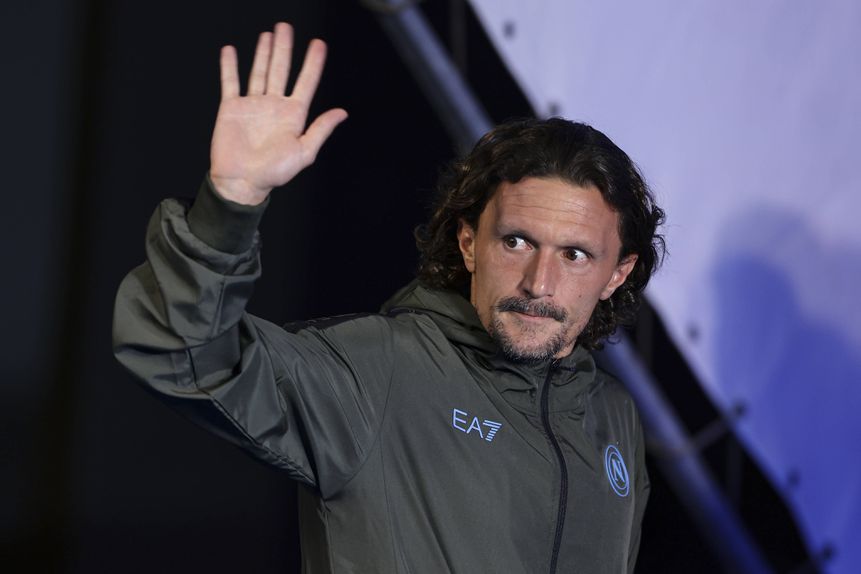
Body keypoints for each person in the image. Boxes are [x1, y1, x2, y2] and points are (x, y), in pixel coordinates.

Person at [113, 22, 665, 574]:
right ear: (469, 243)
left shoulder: (612, 417)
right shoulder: (376, 371)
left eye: (575, 255)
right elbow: (183, 354)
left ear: (617, 274)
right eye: (516, 242)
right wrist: (231, 204)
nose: (538, 283)